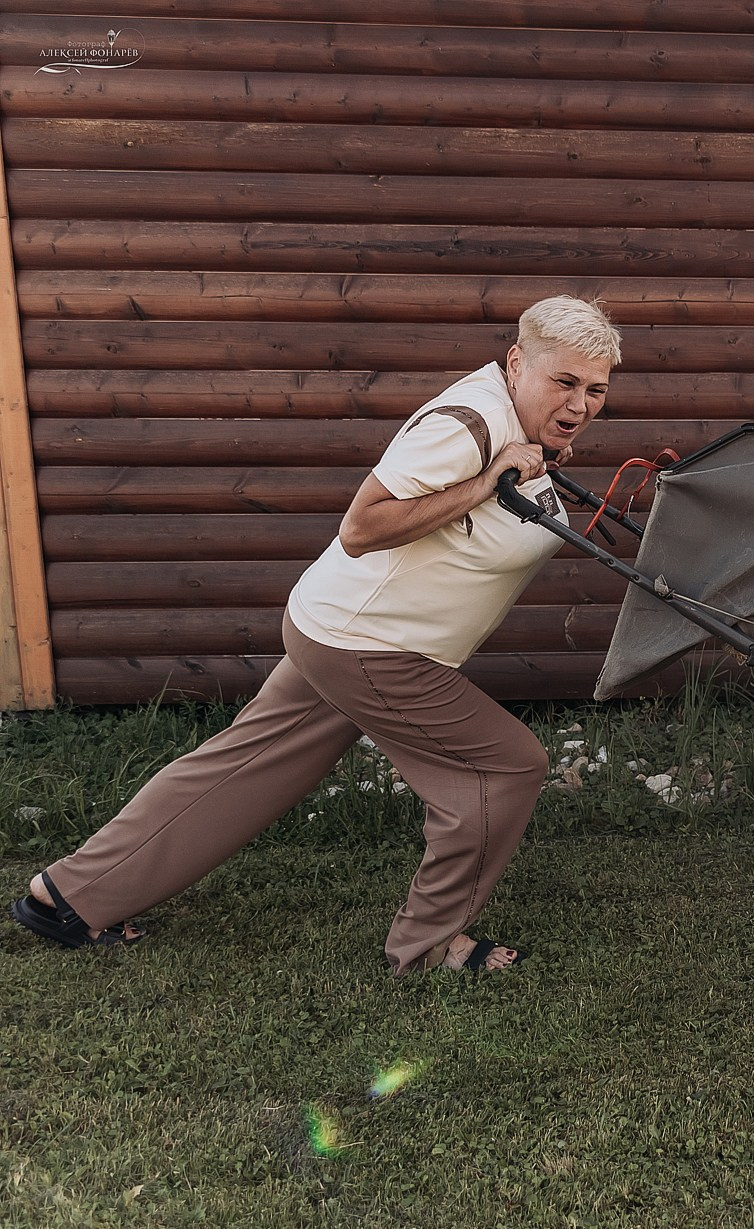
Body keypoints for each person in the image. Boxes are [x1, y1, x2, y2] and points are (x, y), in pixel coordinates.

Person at [9, 296, 623, 972]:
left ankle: (64, 895)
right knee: (503, 765)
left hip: (335, 627)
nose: (581, 402)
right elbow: (361, 528)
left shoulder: (519, 427)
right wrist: (485, 484)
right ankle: (426, 944)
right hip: (370, 647)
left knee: (239, 772)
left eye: (595, 388)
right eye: (564, 382)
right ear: (516, 363)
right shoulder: (469, 425)